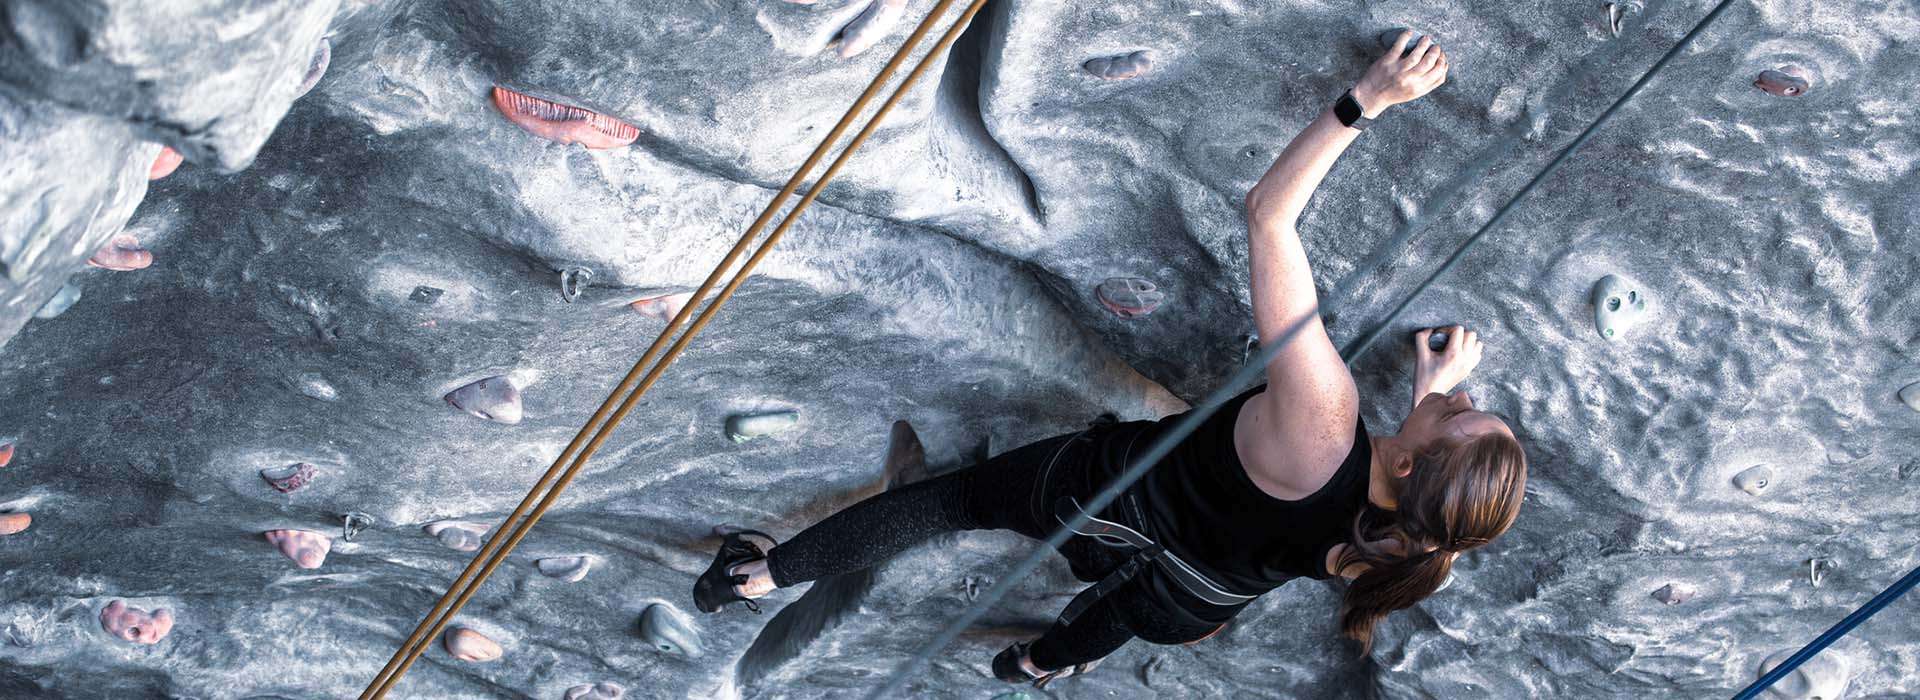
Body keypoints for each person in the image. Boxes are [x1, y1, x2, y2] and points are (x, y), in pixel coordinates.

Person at [691, 30, 1527, 686]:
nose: (1457, 397)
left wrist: (1367, 99)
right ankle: (1038, 667)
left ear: (1415, 463)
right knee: (1124, 616)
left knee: (951, 504)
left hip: (1101, 501)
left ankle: (759, 577)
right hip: (1193, 600)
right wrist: (1433, 397)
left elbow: (1270, 215)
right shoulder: (1419, 554)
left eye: (1459, 414)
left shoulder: (1328, 416)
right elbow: (1402, 489)